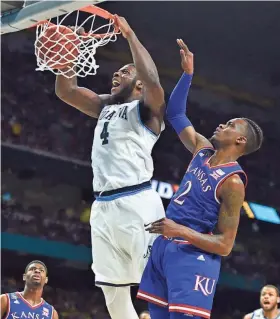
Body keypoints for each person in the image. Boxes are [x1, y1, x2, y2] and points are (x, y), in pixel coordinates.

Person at [137, 39, 264, 319]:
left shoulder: (232, 182)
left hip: (192, 257)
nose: (221, 125)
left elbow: (225, 244)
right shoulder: (201, 149)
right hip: (164, 245)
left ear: (240, 140)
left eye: (230, 125)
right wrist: (187, 75)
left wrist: (180, 231)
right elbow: (176, 113)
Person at [55, 15, 165, 319]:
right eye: (116, 71)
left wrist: (130, 35)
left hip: (136, 201)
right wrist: (69, 51)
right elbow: (67, 91)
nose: (116, 73)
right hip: (103, 206)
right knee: (112, 293)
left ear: (139, 84)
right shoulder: (105, 105)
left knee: (156, 284)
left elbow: (153, 79)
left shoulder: (148, 111)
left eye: (125, 71)